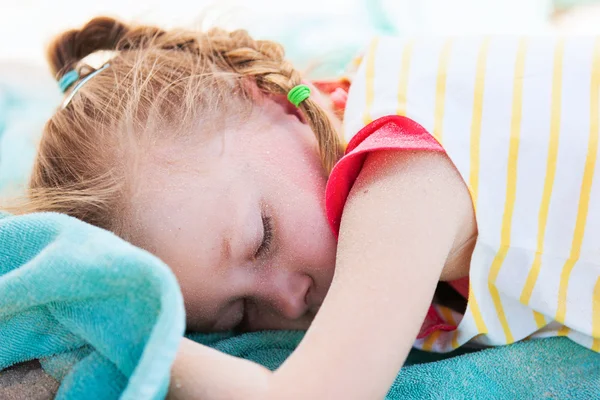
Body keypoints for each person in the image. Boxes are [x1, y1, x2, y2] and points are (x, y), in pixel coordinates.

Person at [9, 15, 600, 399]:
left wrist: (115, 325)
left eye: (260, 236)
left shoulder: (401, 173)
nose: (289, 301)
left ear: (271, 100)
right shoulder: (363, 94)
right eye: (240, 315)